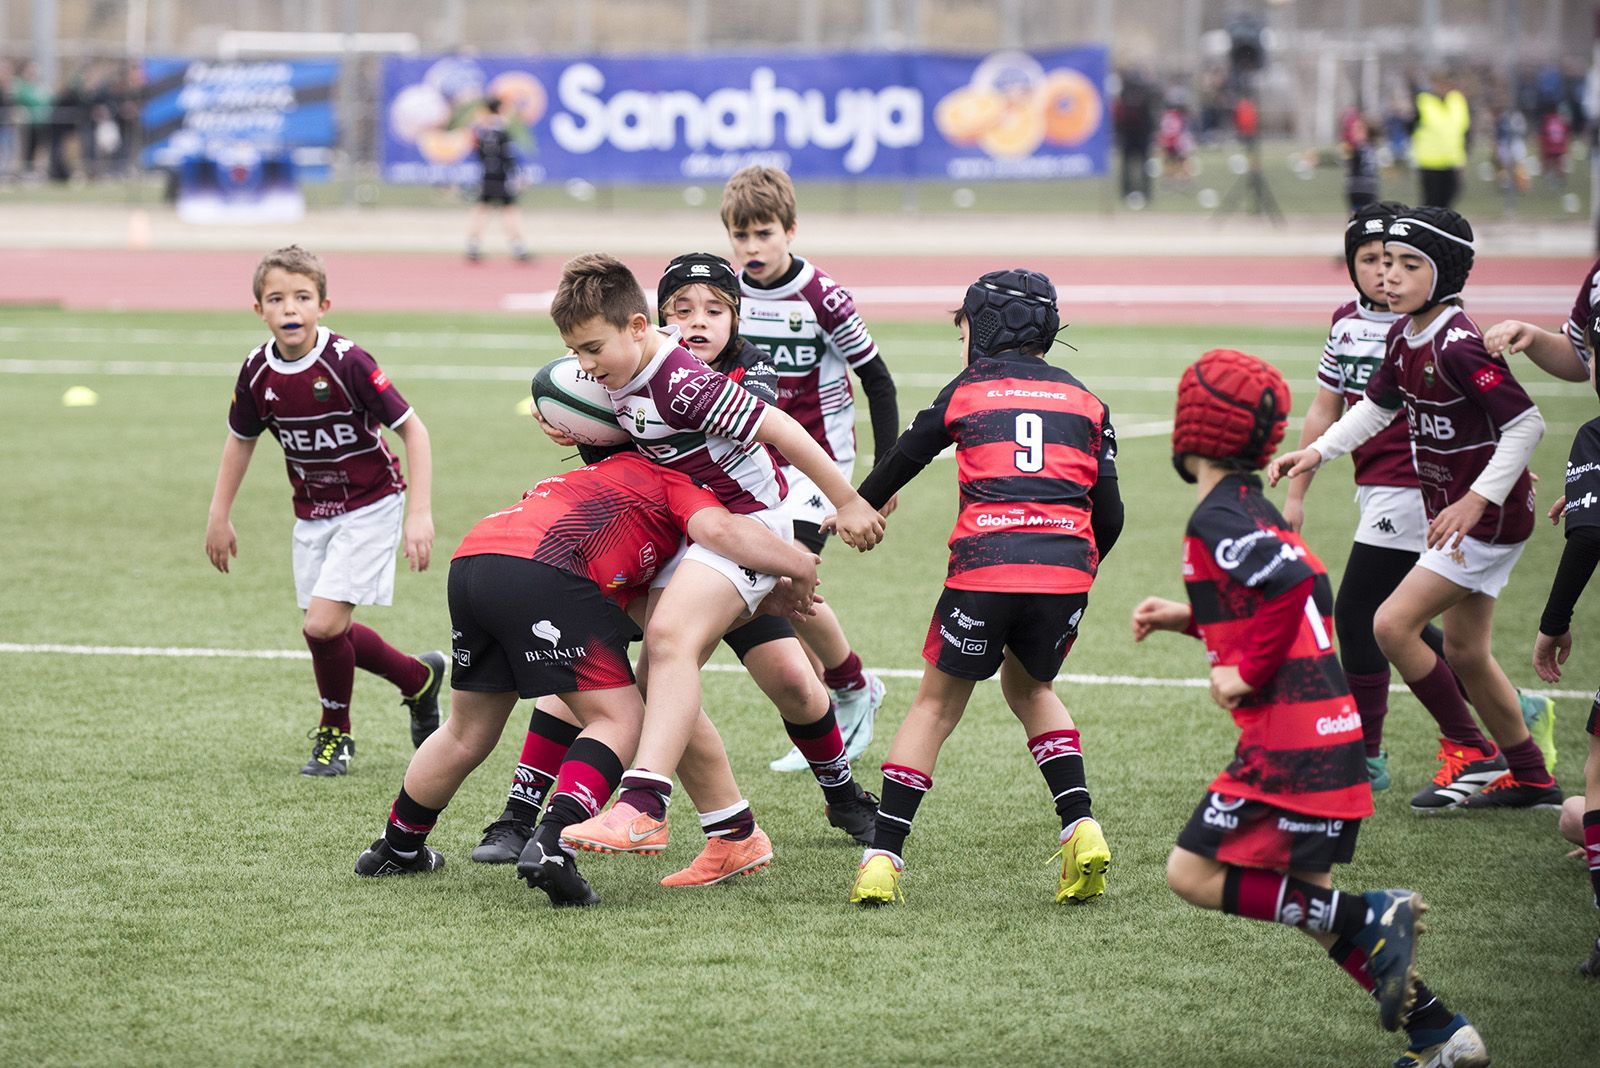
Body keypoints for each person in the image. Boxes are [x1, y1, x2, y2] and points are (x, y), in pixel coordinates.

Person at [1132, 348, 1489, 1068]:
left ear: (1191, 426)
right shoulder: (1250, 508)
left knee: (1191, 874)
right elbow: (1295, 597)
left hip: (1287, 745)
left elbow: (1299, 582)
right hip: (1332, 738)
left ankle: (1374, 910)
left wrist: (1245, 672)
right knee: (1308, 907)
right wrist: (1190, 620)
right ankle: (1442, 1034)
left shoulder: (1216, 519)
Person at [472, 253, 880, 871]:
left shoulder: (684, 382)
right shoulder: (620, 366)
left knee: (696, 651)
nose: (585, 365)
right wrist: (581, 428)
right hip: (682, 534)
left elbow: (779, 429)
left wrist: (848, 501)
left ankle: (647, 805)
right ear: (658, 316)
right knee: (632, 671)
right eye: (682, 310)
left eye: (713, 309)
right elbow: (635, 449)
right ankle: (725, 834)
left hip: (745, 527)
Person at [353, 452, 819, 908]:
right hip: (544, 568)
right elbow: (719, 531)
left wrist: (755, 605)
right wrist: (798, 563)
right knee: (621, 719)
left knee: (466, 731)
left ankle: (397, 847)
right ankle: (552, 844)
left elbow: (648, 612)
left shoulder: (598, 477)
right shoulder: (678, 478)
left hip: (475, 559)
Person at [847, 269, 1123, 906]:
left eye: (964, 327)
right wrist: (1072, 574)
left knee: (934, 707)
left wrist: (860, 506)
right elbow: (1109, 516)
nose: (962, 340)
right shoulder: (1086, 400)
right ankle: (1081, 826)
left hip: (984, 571)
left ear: (986, 327)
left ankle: (882, 858)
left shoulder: (969, 389)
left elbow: (906, 455)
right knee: (1031, 690)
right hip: (1064, 576)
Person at [1271, 207, 1559, 811]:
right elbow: (1374, 410)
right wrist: (1315, 453)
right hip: (1466, 513)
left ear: (1444, 273)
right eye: (1384, 262)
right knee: (1465, 651)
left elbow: (1527, 424)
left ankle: (1471, 750)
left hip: (1485, 520)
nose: (1391, 275)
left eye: (1409, 265)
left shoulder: (1458, 343)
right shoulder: (1406, 335)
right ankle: (1532, 776)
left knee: (1388, 624)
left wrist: (1476, 498)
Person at [204, 245, 446, 776]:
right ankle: (418, 679)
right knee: (327, 630)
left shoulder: (348, 362)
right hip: (312, 511)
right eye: (276, 299)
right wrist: (219, 514)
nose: (289, 308)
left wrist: (419, 513)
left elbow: (414, 430)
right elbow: (240, 439)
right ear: (259, 310)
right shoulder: (256, 372)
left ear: (323, 305)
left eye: (301, 297)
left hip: (372, 503)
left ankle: (336, 733)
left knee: (320, 625)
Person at [719, 166, 898, 771]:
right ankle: (836, 697)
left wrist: (882, 477)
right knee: (768, 588)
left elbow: (877, 380)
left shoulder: (823, 297)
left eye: (764, 233)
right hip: (757, 459)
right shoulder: (729, 296)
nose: (752, 247)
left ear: (790, 230)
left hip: (821, 462)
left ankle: (851, 686)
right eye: (740, 235)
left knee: (784, 573)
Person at [1530, 312, 1600, 976]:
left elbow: (1589, 538)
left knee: (1586, 801)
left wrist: (1553, 623)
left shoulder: (1594, 433)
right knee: (1573, 817)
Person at [464, 97, 529, 263]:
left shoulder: (481, 131)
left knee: (482, 210)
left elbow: (477, 153)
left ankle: (472, 246)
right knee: (509, 211)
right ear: (499, 109)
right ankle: (519, 247)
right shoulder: (503, 131)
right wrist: (519, 176)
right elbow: (509, 157)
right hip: (501, 177)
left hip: (487, 176)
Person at [1409, 71, 1470, 209]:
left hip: (1452, 161)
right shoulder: (1423, 102)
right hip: (1429, 162)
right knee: (1431, 203)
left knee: (1448, 201)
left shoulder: (1458, 102)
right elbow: (1411, 127)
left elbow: (1465, 132)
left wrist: (1464, 157)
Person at [1344, 118, 1380, 212]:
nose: (1354, 133)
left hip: (1360, 187)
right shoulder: (1373, 147)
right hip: (1368, 187)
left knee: (1361, 215)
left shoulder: (1359, 149)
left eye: (1358, 130)